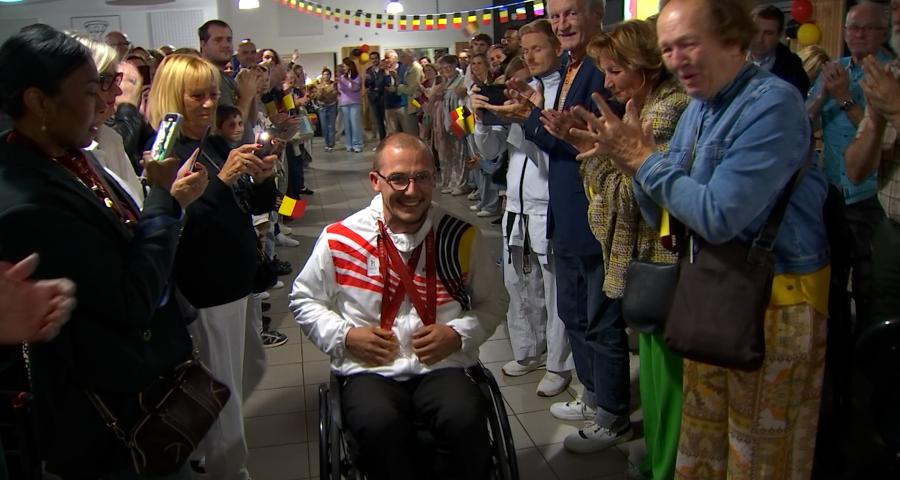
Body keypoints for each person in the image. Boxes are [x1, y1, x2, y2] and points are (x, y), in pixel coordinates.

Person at [577, 1, 830, 477]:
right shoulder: (699, 107)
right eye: (668, 49)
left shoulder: (772, 103)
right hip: (710, 288)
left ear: (733, 39)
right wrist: (633, 162)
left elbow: (716, 216)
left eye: (688, 44)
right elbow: (664, 213)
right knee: (701, 448)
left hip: (776, 298)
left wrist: (643, 161)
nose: (676, 60)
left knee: (758, 455)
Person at [0, 24, 207, 479]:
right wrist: (162, 198)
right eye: (90, 91)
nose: (102, 104)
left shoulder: (71, 155)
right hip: (108, 418)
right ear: (39, 101)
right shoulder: (29, 201)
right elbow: (131, 299)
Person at [289, 133, 502, 480]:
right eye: (399, 178)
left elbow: (494, 301)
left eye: (422, 177)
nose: (412, 190)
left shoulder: (460, 236)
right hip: (370, 370)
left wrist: (458, 334)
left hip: (442, 366)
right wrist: (345, 337)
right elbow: (304, 298)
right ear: (376, 181)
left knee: (464, 418)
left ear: (434, 178)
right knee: (377, 425)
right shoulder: (341, 238)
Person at [485, 0, 628, 453]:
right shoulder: (569, 66)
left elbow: (584, 144)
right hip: (562, 210)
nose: (563, 23)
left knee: (600, 320)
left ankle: (613, 414)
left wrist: (528, 118)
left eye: (571, 13)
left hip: (592, 211)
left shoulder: (599, 71)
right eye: (557, 15)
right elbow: (557, 136)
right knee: (573, 312)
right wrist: (530, 111)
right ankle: (592, 395)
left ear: (596, 14)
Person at [564, 18, 689, 474]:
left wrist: (598, 156)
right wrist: (594, 149)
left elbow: (634, 196)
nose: (608, 82)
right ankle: (657, 452)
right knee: (654, 375)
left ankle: (666, 463)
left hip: (666, 260)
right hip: (650, 260)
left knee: (669, 378)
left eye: (615, 70)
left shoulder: (667, 111)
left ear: (645, 65)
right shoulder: (645, 106)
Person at [148, 53, 277, 480]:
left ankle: (205, 447)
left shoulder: (214, 142)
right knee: (223, 392)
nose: (208, 104)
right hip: (206, 285)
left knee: (251, 369)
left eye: (212, 95)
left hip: (238, 280)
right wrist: (222, 182)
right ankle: (227, 469)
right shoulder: (166, 154)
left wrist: (263, 178)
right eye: (196, 96)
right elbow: (176, 222)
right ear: (173, 96)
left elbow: (250, 206)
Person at [471, 20, 575, 399]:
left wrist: (529, 117)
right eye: (525, 49)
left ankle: (559, 363)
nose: (530, 56)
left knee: (554, 289)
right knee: (518, 283)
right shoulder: (521, 91)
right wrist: (483, 118)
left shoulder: (562, 93)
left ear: (557, 48)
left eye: (538, 48)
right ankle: (528, 350)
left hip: (547, 202)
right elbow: (491, 152)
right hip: (515, 203)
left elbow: (556, 154)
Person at [807, 0, 891, 339]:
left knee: (870, 285)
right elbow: (804, 120)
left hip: (870, 194)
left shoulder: (889, 75)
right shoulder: (834, 69)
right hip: (831, 189)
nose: (858, 34)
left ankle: (869, 352)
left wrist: (843, 97)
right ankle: (836, 350)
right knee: (833, 280)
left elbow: (879, 133)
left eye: (867, 28)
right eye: (853, 27)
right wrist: (823, 93)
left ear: (883, 33)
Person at [845, 0, 900, 332]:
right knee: (883, 332)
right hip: (891, 231)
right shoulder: (890, 74)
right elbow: (855, 170)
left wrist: (895, 107)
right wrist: (877, 121)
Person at [199, 20, 263, 144]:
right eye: (218, 40)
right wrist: (246, 96)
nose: (226, 45)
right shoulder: (208, 78)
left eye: (228, 40)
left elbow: (251, 121)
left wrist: (252, 93)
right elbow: (229, 128)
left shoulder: (225, 77)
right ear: (203, 44)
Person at [749, 4, 809, 95]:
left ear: (780, 35)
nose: (759, 39)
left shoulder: (794, 72)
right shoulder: (730, 58)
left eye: (768, 33)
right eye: (755, 31)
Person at [337, 57, 364, 153]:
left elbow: (355, 88)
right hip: (344, 103)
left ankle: (357, 144)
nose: (343, 67)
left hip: (355, 102)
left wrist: (348, 81)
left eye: (344, 65)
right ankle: (349, 144)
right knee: (347, 125)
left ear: (349, 66)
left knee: (355, 124)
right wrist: (343, 81)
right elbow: (341, 89)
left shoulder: (358, 77)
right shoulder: (341, 77)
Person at [396, 49, 423, 136]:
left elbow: (412, 89)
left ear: (411, 56)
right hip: (408, 102)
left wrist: (400, 86)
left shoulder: (415, 68)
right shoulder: (409, 67)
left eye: (404, 56)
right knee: (409, 129)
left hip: (414, 103)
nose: (401, 59)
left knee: (412, 131)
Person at [365, 51, 387, 142]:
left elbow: (384, 82)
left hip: (384, 97)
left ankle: (388, 141)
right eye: (372, 59)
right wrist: (368, 80)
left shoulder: (383, 69)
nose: (374, 60)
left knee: (387, 121)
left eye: (375, 58)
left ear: (378, 59)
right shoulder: (369, 70)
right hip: (373, 98)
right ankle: (382, 142)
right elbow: (366, 85)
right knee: (378, 121)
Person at [315, 66, 339, 151]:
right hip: (322, 107)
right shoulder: (319, 85)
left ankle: (331, 144)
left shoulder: (334, 84)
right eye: (324, 74)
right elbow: (318, 97)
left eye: (328, 74)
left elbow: (335, 95)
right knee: (324, 126)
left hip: (332, 106)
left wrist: (329, 92)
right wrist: (321, 91)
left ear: (330, 75)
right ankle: (327, 143)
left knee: (331, 126)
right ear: (322, 75)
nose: (326, 76)